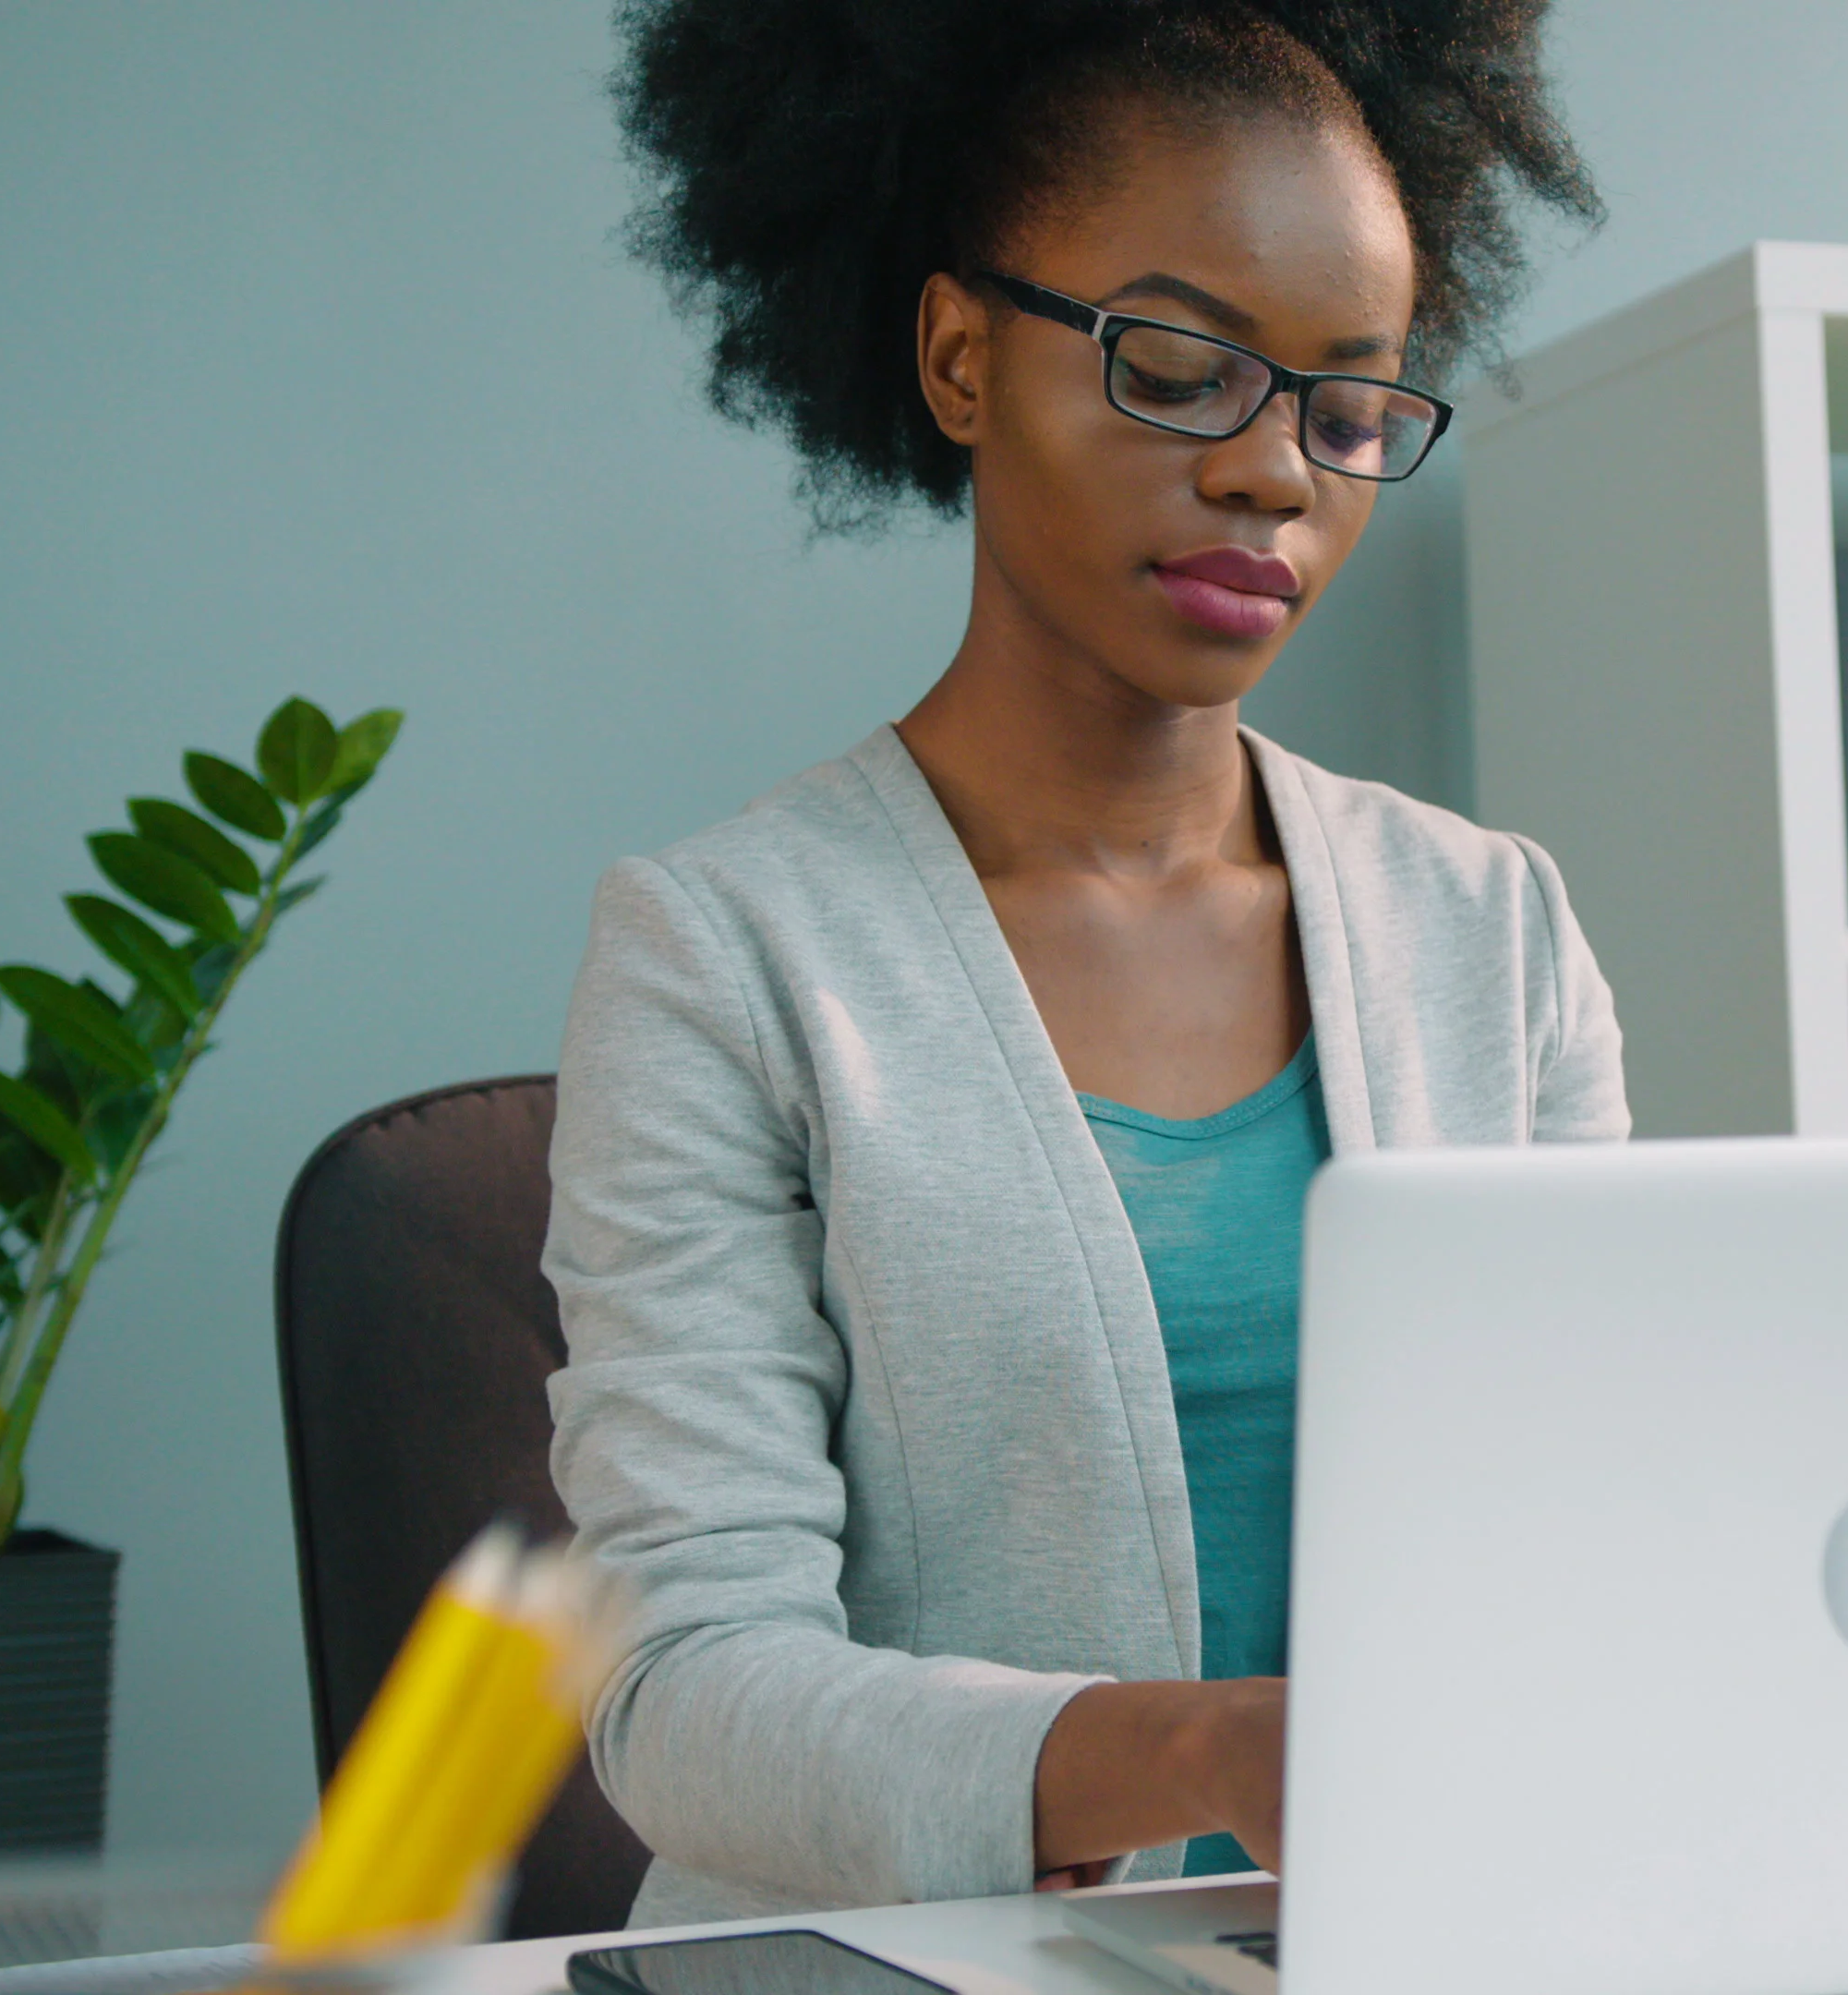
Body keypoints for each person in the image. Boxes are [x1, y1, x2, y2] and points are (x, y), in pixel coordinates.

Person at [545, 0, 1618, 1924]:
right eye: (1180, 365)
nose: (1277, 474)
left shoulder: (1494, 930)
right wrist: (1203, 1753)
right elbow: (679, 1692)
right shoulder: (724, 953)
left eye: (1348, 404)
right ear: (963, 357)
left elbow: (1624, 1517)